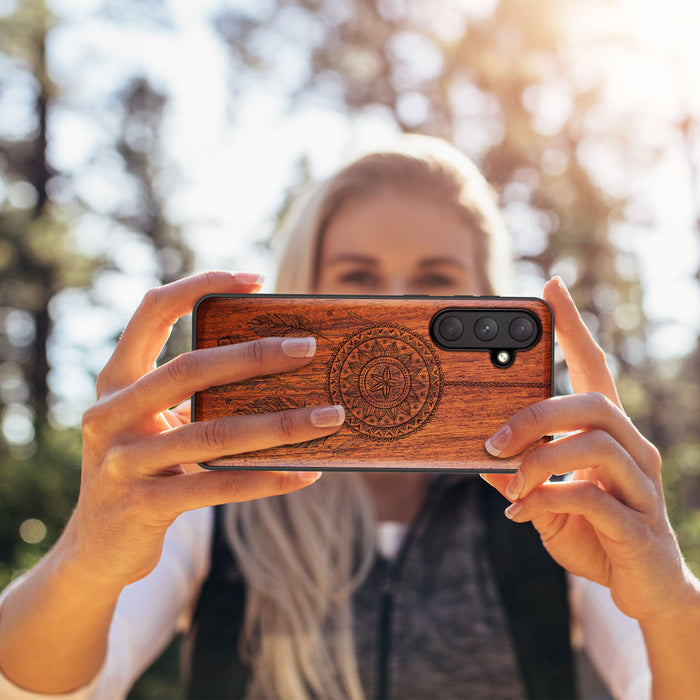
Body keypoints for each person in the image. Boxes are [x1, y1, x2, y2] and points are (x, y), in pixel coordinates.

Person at [0, 135, 699, 700]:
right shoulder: (211, 496)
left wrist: (669, 602)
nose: (395, 308)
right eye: (358, 278)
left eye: (435, 282)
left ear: (488, 300)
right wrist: (87, 558)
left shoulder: (554, 503)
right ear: (303, 291)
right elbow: (48, 688)